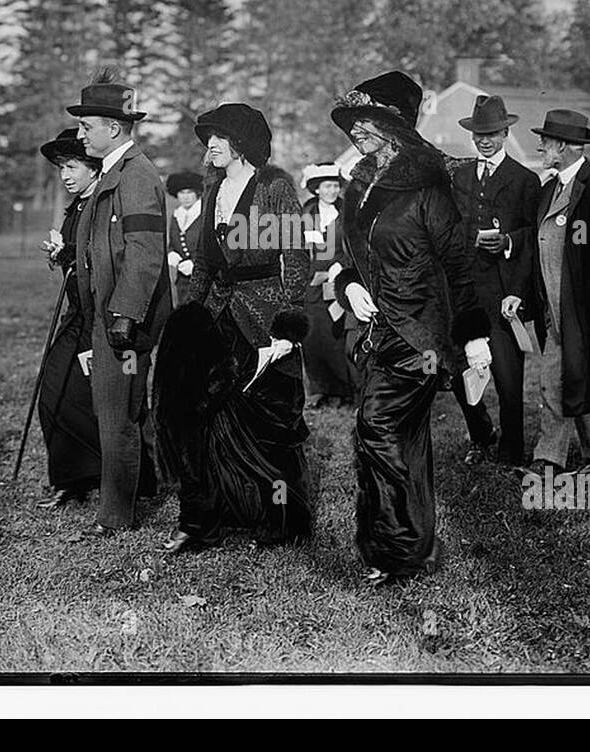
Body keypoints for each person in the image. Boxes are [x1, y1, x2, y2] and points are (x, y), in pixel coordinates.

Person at [330, 71, 491, 585]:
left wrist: (474, 338)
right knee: (405, 437)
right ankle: (406, 549)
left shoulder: (428, 185)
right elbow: (354, 254)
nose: (358, 132)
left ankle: (399, 546)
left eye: (369, 122)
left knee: (376, 427)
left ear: (395, 127)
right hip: (377, 329)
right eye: (354, 123)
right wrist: (347, 284)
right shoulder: (359, 184)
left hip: (421, 332)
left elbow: (459, 264)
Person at [154, 103, 313, 553]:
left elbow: (297, 257)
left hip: (264, 317)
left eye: (219, 138)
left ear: (242, 142)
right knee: (198, 418)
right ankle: (202, 522)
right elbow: (204, 263)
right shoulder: (211, 188)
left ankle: (279, 521)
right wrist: (188, 317)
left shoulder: (274, 187)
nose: (210, 147)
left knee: (268, 422)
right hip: (216, 316)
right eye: (208, 139)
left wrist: (287, 326)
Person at [69, 71, 171, 535]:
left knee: (117, 416)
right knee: (123, 411)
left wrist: (125, 315)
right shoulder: (115, 173)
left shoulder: (136, 176)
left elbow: (145, 253)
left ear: (113, 128)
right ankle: (138, 494)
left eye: (86, 126)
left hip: (123, 320)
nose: (80, 134)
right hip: (109, 315)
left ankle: (115, 518)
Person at [524, 108, 590, 474]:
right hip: (550, 306)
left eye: (546, 141)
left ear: (564, 147)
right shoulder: (550, 188)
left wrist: (584, 305)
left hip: (575, 311)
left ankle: (547, 459)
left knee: (555, 382)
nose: (540, 146)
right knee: (578, 378)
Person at [445, 93, 541, 466]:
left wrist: (508, 242)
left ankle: (512, 452)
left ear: (505, 133)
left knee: (507, 375)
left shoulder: (524, 180)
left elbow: (533, 234)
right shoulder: (462, 176)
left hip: (503, 289)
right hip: (466, 290)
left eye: (493, 133)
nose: (485, 140)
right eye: (479, 134)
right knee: (462, 371)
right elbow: (451, 226)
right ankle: (481, 436)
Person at [33, 128, 103, 510]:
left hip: (101, 317)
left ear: (93, 168)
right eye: (62, 167)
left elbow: (106, 256)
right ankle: (71, 479)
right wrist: (60, 253)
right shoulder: (75, 207)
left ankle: (113, 476)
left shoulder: (103, 205)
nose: (65, 174)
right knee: (53, 393)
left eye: (72, 166)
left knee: (94, 399)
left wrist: (72, 253)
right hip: (76, 314)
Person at [298, 162, 355, 408]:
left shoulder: (347, 213)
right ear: (316, 189)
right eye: (327, 186)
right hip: (311, 283)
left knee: (337, 336)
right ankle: (321, 390)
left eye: (335, 186)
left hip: (339, 280)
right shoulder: (305, 214)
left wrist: (339, 266)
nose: (332, 191)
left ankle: (345, 391)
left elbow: (354, 246)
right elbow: (297, 249)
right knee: (313, 337)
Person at [165, 171, 203, 307]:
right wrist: (172, 253)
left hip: (202, 276)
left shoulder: (203, 214)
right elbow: (173, 243)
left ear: (197, 193)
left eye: (189, 192)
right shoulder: (176, 215)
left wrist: (195, 264)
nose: (185, 197)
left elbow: (209, 246)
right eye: (182, 193)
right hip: (182, 278)